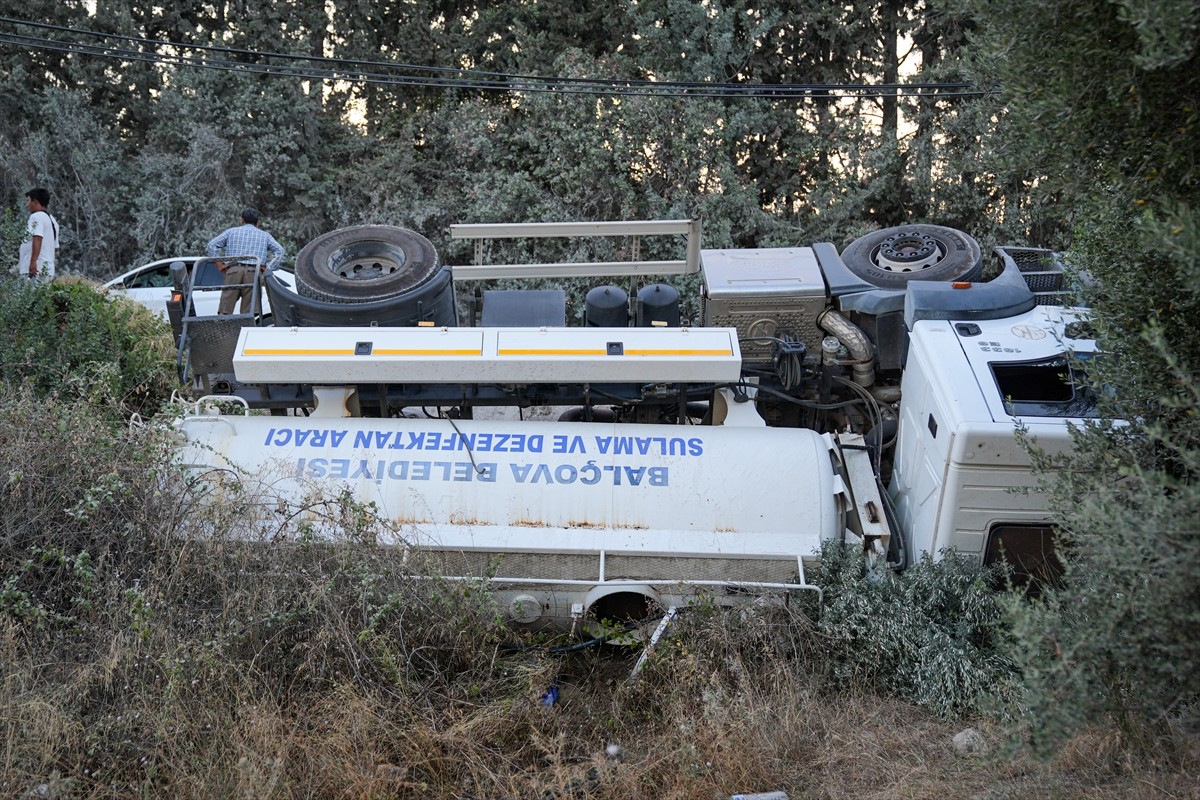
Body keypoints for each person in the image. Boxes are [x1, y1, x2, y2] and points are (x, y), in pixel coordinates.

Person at [206, 207, 285, 315]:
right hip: (253, 273)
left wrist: (220, 265)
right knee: (250, 312)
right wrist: (267, 267)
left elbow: (212, 245)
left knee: (225, 308)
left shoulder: (231, 232)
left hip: (234, 270)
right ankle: (247, 329)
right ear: (258, 222)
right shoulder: (265, 236)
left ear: (242, 220)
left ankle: (223, 330)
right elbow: (280, 251)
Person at [18, 187, 59, 282]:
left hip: (35, 270)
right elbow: (55, 247)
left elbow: (37, 238)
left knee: (29, 296)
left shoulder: (36, 216)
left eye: (28, 201)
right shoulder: (52, 220)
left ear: (35, 202)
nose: (27, 205)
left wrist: (33, 262)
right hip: (47, 270)